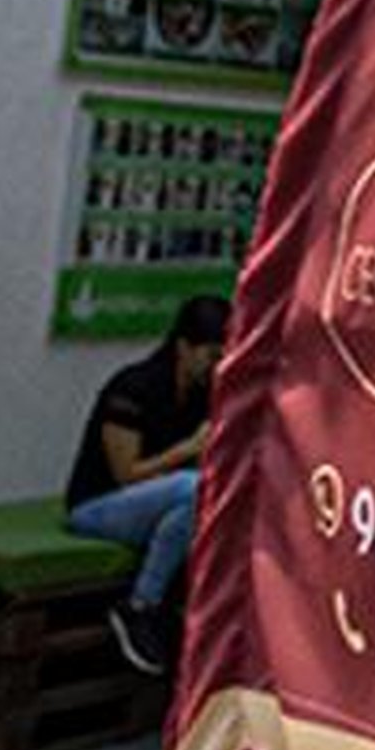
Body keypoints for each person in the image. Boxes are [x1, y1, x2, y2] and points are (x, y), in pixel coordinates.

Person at [67, 289, 229, 674]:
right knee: (193, 487)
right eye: (211, 355)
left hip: (160, 505)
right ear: (184, 347)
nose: (215, 367)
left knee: (198, 497)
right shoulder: (132, 388)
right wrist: (188, 449)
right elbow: (126, 475)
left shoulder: (202, 397)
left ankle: (171, 609)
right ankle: (139, 604)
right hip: (98, 506)